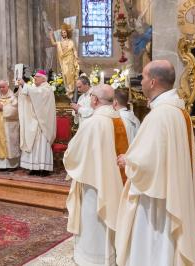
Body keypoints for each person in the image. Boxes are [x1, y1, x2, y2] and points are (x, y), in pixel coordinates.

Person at [115, 60, 195, 266]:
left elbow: (147, 162)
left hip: (156, 199)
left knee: (152, 245)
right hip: (172, 190)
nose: (141, 82)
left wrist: (127, 161)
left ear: (153, 82)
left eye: (143, 77)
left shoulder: (160, 114)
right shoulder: (179, 111)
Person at [64, 84, 128, 266]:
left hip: (94, 182)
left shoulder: (93, 122)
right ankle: (111, 256)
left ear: (94, 100)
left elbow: (73, 153)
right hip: (116, 180)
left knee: (94, 220)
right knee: (111, 214)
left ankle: (92, 258)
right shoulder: (119, 119)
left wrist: (70, 157)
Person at [17, 70, 56, 176]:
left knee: (42, 145)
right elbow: (28, 95)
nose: (35, 78)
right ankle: (34, 167)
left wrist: (24, 84)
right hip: (34, 120)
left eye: (37, 77)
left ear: (44, 78)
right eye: (35, 77)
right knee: (34, 145)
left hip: (43, 123)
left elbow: (36, 94)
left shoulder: (47, 89)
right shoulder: (36, 88)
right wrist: (21, 87)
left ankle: (44, 168)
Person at [0, 80, 20, 170]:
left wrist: (4, 108)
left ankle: (12, 165)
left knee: (10, 144)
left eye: (3, 87)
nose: (1, 89)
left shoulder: (13, 97)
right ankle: (1, 165)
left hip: (10, 125)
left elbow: (16, 110)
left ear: (7, 86)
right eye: (0, 87)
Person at [50, 23, 79, 99]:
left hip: (70, 60)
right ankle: (68, 90)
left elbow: (74, 50)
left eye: (64, 32)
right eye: (62, 33)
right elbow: (53, 43)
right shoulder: (60, 43)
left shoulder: (71, 42)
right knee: (65, 75)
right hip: (63, 61)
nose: (63, 34)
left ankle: (71, 91)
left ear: (67, 33)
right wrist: (51, 35)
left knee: (70, 75)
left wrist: (76, 58)